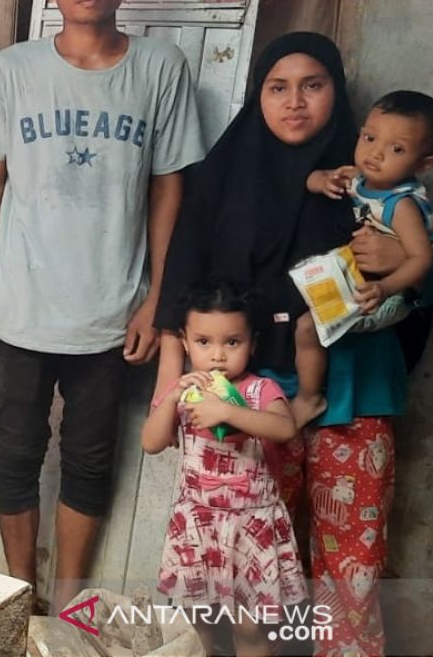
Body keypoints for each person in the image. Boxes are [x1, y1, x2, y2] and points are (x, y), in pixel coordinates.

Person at [155, 32, 433, 656]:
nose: (295, 102)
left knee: (350, 574)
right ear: (257, 94)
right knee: (254, 576)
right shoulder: (223, 175)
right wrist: (171, 380)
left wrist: (404, 259)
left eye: (313, 86)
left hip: (354, 399)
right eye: (277, 87)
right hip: (252, 405)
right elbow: (185, 281)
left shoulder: (372, 171)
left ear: (336, 93)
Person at [0, 0, 205, 608]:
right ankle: (20, 592)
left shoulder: (160, 68)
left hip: (112, 314)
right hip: (23, 308)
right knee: (16, 451)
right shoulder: (15, 68)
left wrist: (158, 298)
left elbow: (167, 191)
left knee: (91, 459)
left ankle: (66, 604)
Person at [142, 277, 303, 657]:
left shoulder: (260, 391)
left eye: (232, 342)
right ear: (184, 342)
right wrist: (173, 396)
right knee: (195, 625)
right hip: (198, 526)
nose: (217, 356)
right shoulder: (183, 391)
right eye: (203, 342)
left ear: (253, 343)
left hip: (250, 529)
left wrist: (228, 411)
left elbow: (284, 427)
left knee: (250, 629)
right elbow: (150, 443)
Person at [291, 90, 433, 426]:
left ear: (424, 164)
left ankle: (309, 396)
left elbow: (423, 260)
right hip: (369, 284)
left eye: (396, 149)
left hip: (388, 296)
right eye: (369, 137)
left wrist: (387, 287)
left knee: (308, 326)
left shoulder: (401, 205)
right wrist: (323, 180)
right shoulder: (362, 179)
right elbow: (313, 178)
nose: (375, 154)